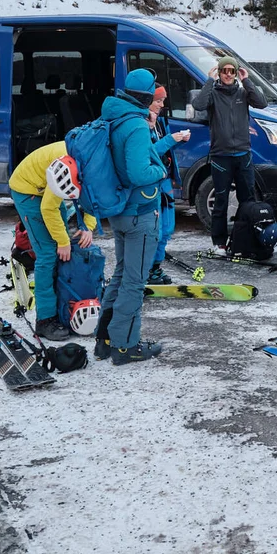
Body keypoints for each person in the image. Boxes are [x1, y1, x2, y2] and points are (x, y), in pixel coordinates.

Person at [96, 67, 171, 364]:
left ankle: (104, 339)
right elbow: (140, 172)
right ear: (143, 95)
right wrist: (161, 170)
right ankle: (125, 345)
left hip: (119, 210)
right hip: (139, 212)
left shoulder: (113, 117)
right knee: (134, 281)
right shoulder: (137, 126)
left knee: (121, 274)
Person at [7, 140, 99, 341]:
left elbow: (95, 196)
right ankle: (45, 320)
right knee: (49, 254)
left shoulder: (98, 163)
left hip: (47, 190)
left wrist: (88, 227)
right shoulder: (68, 163)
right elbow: (48, 208)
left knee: (60, 247)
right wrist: (63, 241)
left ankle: (63, 305)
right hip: (28, 190)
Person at [188, 56, 270, 253]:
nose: (227, 74)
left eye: (231, 71)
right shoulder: (213, 94)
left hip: (243, 155)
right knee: (221, 201)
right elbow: (198, 105)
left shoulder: (243, 93)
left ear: (235, 73)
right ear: (219, 72)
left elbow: (262, 103)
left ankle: (246, 239)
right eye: (224, 71)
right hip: (220, 156)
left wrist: (247, 80)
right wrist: (209, 80)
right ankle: (219, 243)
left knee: (248, 200)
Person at [146, 85, 191, 284]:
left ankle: (156, 267)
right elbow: (148, 152)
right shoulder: (140, 124)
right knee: (155, 230)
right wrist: (170, 139)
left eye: (163, 101)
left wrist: (178, 140)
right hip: (152, 184)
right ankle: (148, 270)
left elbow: (164, 148)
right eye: (158, 101)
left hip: (165, 181)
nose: (162, 105)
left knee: (167, 228)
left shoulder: (160, 122)